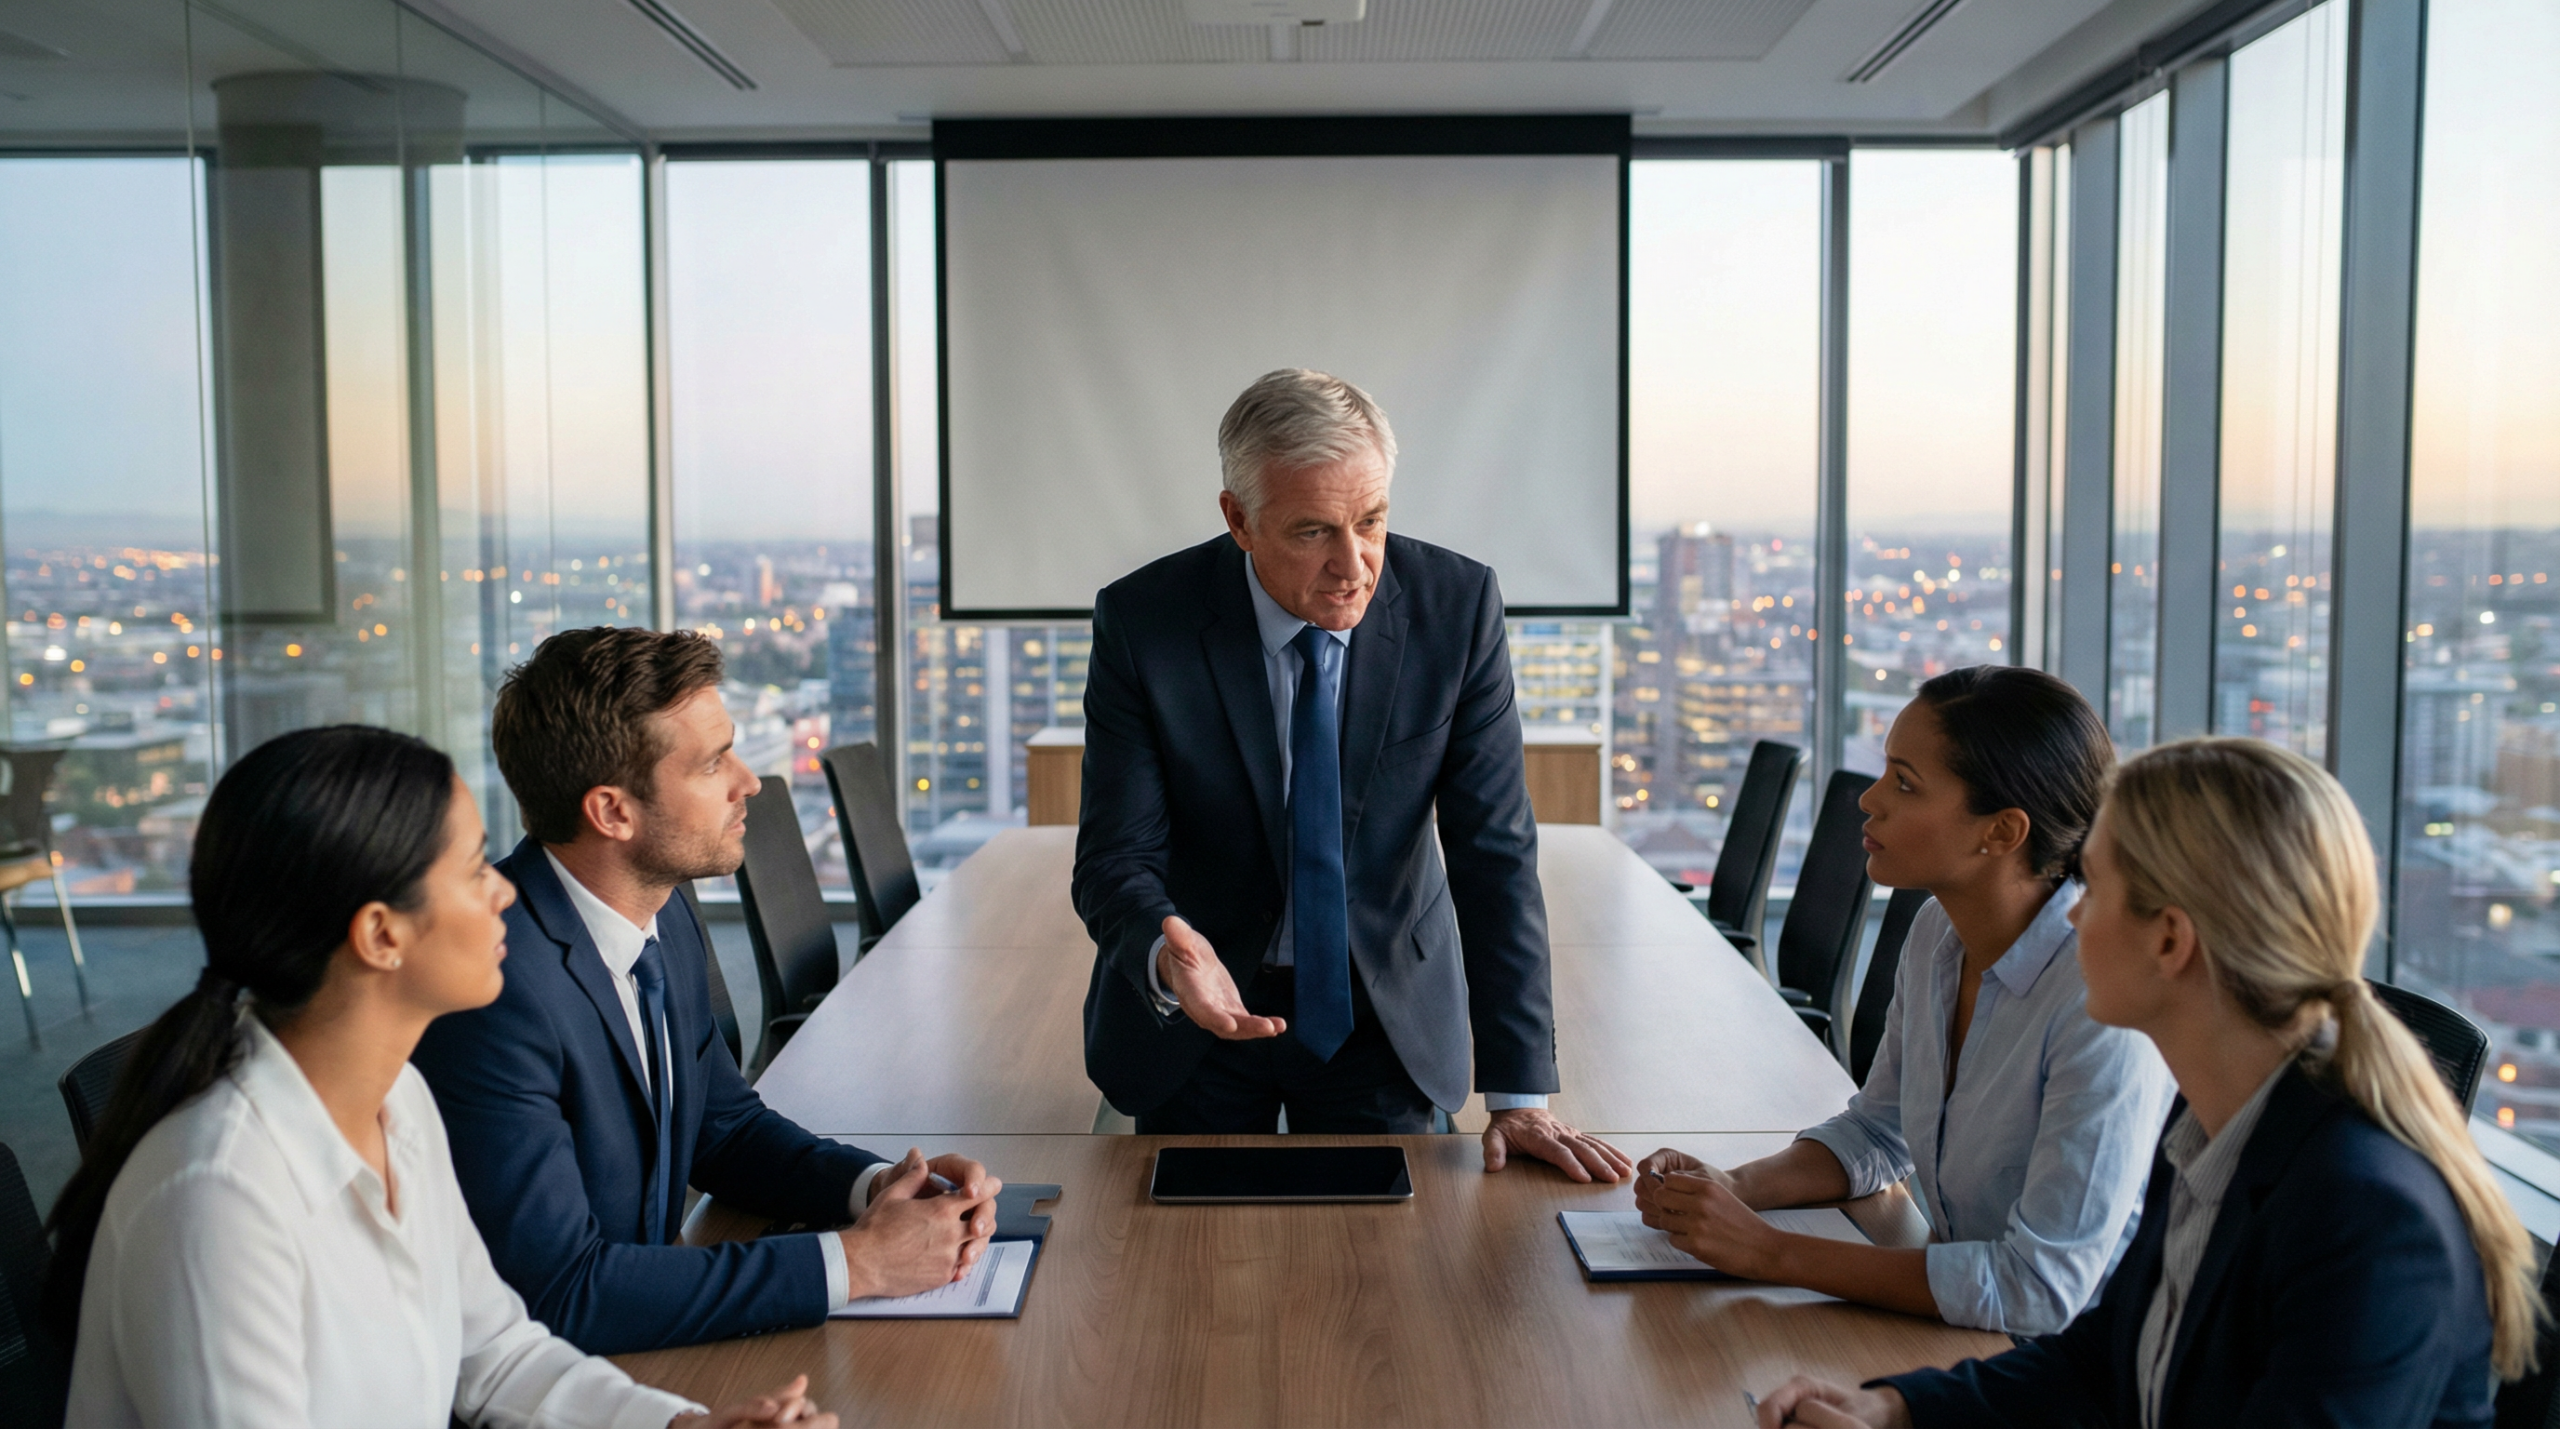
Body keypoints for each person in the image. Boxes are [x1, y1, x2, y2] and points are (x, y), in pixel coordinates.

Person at [46, 725, 832, 1429]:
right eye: (470, 869)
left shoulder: (397, 1100)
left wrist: (685, 1426)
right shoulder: (218, 1197)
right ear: (382, 934)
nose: (504, 888)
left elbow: (496, 1352)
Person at [1751, 737, 2542, 1428]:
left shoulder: (2364, 1215)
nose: (2067, 917)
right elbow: (2109, 1352)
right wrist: (1897, 1406)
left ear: (2169, 939)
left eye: (2091, 887)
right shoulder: (2213, 1127)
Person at [1073, 367, 1628, 1179]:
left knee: (1394, 1280)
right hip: (1206, 1018)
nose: (1354, 564)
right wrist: (1166, 952)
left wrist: (1519, 1093)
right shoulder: (1144, 621)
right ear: (1239, 519)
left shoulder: (1457, 606)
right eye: (1312, 532)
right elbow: (1116, 856)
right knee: (1192, 1280)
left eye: (1370, 521)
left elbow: (1493, 853)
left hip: (1383, 1011)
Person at [411, 628, 999, 1354]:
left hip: (646, 1358)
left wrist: (876, 1187)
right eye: (714, 761)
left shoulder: (664, 907)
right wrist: (858, 1261)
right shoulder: (493, 989)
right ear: (613, 812)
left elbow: (722, 1126)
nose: (748, 780)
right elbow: (560, 1292)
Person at [1636, 666, 2175, 1333]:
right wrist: (1734, 1188)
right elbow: (1876, 1130)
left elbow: (2037, 1288)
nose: (1869, 799)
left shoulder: (2099, 1004)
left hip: (2065, 1371)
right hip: (1957, 1331)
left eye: (1904, 782)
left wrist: (1768, 1250)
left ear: (2002, 832)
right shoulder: (1939, 933)